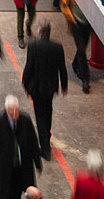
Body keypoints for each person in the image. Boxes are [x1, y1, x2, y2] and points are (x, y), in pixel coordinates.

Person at [21, 20, 67, 159]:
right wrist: (64, 86)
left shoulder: (33, 46)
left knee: (40, 116)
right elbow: (62, 69)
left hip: (37, 87)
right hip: (50, 87)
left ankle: (45, 150)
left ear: (40, 31)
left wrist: (25, 83)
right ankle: (46, 137)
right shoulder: (57, 47)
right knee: (48, 112)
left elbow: (29, 66)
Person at [0, 95, 41, 199]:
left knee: (31, 194)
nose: (14, 113)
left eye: (16, 110)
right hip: (6, 170)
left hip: (23, 168)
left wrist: (38, 163)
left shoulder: (25, 120)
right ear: (6, 110)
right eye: (11, 110)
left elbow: (33, 142)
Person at [60, 0, 91, 94]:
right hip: (76, 23)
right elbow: (63, 3)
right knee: (81, 49)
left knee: (82, 47)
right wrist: (71, 18)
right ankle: (85, 78)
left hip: (87, 24)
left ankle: (75, 63)